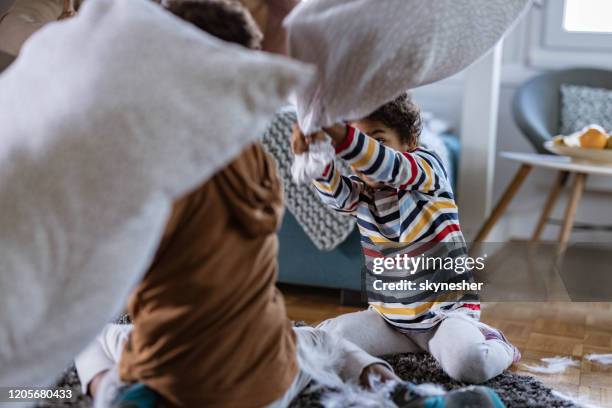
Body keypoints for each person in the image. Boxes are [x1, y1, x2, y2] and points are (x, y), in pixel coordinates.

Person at [74, 1, 396, 407]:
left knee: (91, 335)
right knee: (321, 339)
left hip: (176, 384)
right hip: (268, 385)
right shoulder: (258, 160)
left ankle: (111, 392)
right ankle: (394, 388)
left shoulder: (150, 163)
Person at [291, 93, 521, 384]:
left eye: (379, 141)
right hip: (391, 320)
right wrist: (315, 150)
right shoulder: (363, 194)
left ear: (410, 142)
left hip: (444, 317)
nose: (362, 159)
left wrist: (336, 131)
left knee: (469, 365)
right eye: (357, 150)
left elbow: (388, 166)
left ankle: (498, 344)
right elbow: (334, 193)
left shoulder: (428, 169)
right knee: (330, 341)